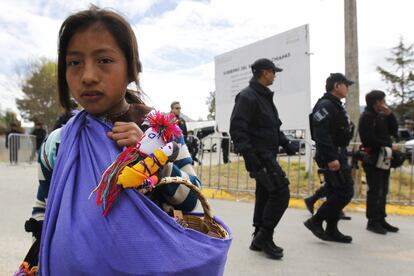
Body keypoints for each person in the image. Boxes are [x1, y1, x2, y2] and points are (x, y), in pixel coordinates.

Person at [23, 6, 229, 275]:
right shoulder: (57, 144)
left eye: (104, 60)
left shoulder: (162, 132)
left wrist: (154, 155)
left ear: (131, 70)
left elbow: (194, 204)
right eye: (74, 63)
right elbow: (44, 208)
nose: (88, 76)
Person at [230, 58, 296, 260]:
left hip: (268, 154)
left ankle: (258, 237)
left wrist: (286, 143)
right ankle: (264, 237)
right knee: (281, 193)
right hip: (260, 157)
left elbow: (274, 126)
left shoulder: (264, 96)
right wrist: (251, 158)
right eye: (273, 72)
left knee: (266, 195)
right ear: (265, 72)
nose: (275, 75)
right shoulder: (248, 97)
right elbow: (237, 129)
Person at [304, 73, 355, 243]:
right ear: (336, 86)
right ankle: (316, 221)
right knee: (345, 192)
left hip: (337, 152)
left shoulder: (336, 105)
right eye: (346, 85)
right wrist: (332, 158)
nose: (348, 88)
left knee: (335, 192)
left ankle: (332, 229)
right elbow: (322, 134)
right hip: (331, 155)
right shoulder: (325, 105)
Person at [358, 90, 399, 234]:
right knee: (375, 190)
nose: (384, 103)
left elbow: (394, 131)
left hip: (385, 159)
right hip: (373, 159)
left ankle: (381, 219)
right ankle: (372, 221)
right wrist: (387, 145)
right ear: (376, 102)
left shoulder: (381, 116)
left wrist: (390, 115)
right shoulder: (367, 117)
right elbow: (368, 139)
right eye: (382, 100)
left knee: (383, 190)